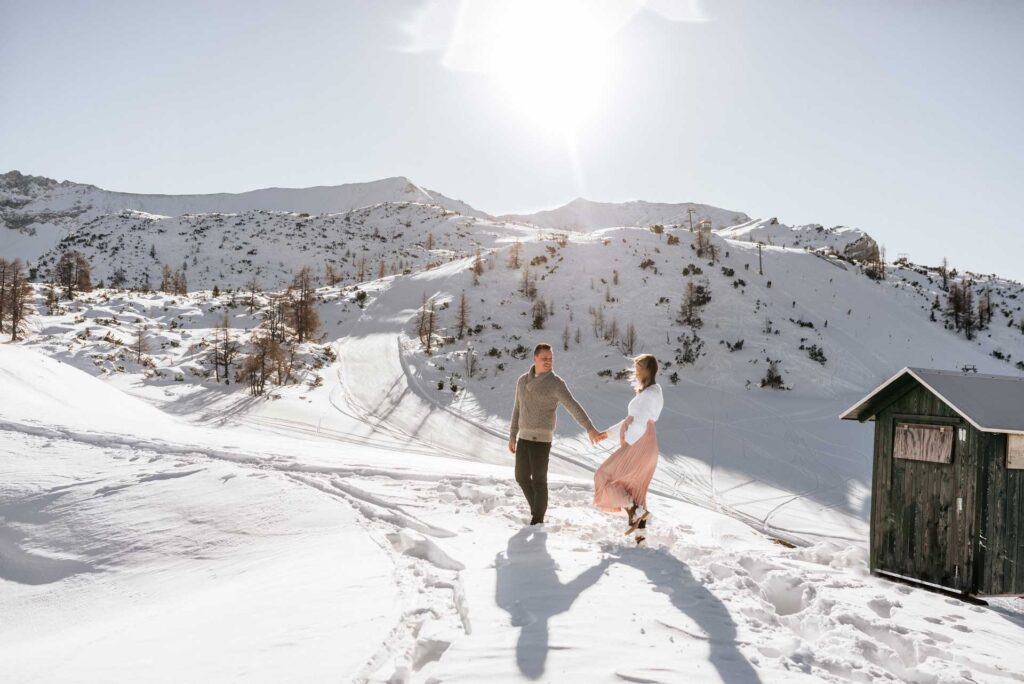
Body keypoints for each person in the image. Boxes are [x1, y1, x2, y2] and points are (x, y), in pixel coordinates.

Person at [508, 343, 607, 525]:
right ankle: (536, 510)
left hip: (542, 440)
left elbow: (573, 406)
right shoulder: (522, 381)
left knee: (539, 480)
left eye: (551, 359)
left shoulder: (556, 384)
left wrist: (590, 428)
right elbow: (517, 409)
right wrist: (512, 435)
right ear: (535, 358)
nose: (548, 362)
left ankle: (537, 520)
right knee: (521, 477)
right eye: (544, 358)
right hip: (523, 437)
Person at [593, 354, 664, 546]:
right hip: (646, 444)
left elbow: (638, 423)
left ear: (648, 369)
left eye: (639, 367)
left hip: (639, 443)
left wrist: (627, 442)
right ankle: (640, 539)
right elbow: (630, 421)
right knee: (636, 490)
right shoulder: (650, 393)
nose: (636, 370)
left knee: (602, 475)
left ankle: (632, 508)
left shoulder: (649, 395)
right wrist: (607, 434)